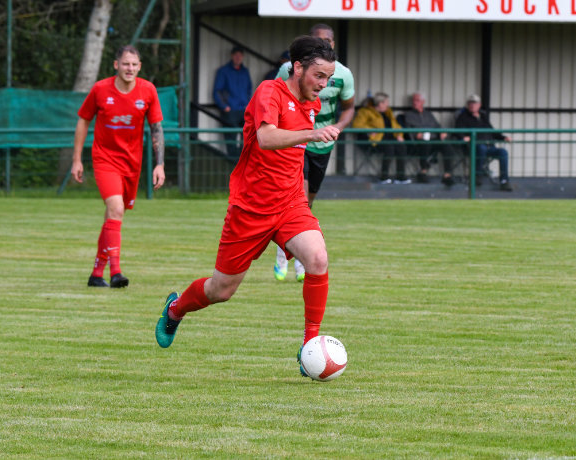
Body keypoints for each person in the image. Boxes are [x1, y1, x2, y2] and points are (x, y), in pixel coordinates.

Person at [155, 36, 340, 377]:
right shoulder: (269, 92)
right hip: (251, 208)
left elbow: (292, 159)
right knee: (221, 290)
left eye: (328, 78)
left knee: (318, 258)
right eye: (319, 76)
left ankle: (309, 347)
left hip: (290, 204)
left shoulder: (311, 104)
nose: (323, 84)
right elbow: (267, 138)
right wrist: (312, 135)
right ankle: (175, 310)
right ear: (297, 68)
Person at [71, 44, 166, 288]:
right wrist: (77, 159)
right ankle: (116, 272)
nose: (129, 68)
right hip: (104, 159)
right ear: (116, 65)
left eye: (134, 64)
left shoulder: (148, 90)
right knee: (116, 209)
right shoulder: (100, 89)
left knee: (111, 217)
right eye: (125, 64)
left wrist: (160, 165)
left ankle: (96, 274)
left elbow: (156, 128)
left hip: (131, 163)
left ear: (140, 67)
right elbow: (83, 120)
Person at [272, 23, 356, 282]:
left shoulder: (343, 74)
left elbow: (349, 107)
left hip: (323, 144)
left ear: (333, 44)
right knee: (299, 197)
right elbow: (274, 100)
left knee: (307, 202)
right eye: (317, 40)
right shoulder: (289, 70)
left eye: (327, 41)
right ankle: (293, 258)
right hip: (298, 142)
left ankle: (291, 249)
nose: (322, 83)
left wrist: (337, 127)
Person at [454, 94, 513, 191]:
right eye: (470, 103)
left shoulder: (483, 117)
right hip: (473, 147)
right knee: (481, 148)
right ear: (467, 105)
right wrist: (464, 137)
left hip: (489, 146)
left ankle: (504, 181)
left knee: (503, 152)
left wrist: (503, 137)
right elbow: (457, 131)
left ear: (479, 105)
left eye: (474, 103)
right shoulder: (463, 117)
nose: (472, 105)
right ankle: (477, 176)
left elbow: (492, 132)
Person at [402, 92, 459, 186]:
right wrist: (416, 135)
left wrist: (442, 132)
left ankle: (447, 175)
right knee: (425, 144)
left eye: (417, 100)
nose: (415, 102)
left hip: (434, 139)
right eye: (413, 100)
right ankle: (423, 172)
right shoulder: (408, 115)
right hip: (419, 142)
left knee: (447, 146)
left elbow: (437, 126)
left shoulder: (428, 114)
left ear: (423, 102)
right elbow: (408, 130)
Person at [352, 92, 409, 184]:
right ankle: (384, 177)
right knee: (389, 147)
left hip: (391, 138)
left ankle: (400, 177)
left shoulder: (388, 112)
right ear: (380, 103)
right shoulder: (365, 111)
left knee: (402, 147)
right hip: (375, 140)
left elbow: (396, 126)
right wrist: (370, 130)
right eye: (386, 102)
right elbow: (357, 125)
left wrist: (399, 135)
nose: (387, 105)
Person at [213, 45, 252, 158]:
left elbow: (249, 89)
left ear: (242, 57)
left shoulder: (245, 71)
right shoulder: (223, 71)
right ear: (232, 56)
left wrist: (247, 104)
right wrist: (225, 107)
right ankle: (232, 163)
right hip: (230, 111)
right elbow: (217, 91)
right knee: (231, 140)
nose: (238, 57)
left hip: (244, 110)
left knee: (247, 138)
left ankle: (243, 161)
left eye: (240, 55)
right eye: (236, 55)